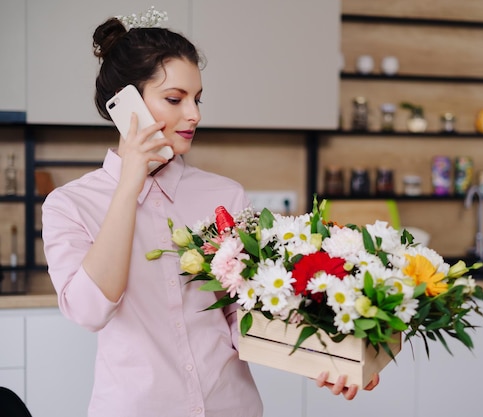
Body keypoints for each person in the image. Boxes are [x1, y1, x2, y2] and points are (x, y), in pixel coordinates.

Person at [41, 11, 378, 417]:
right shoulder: (70, 204)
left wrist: (325, 357)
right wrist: (130, 184)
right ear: (125, 104)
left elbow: (246, 314)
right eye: (174, 99)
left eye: (197, 99)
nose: (194, 114)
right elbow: (90, 310)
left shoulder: (225, 195)